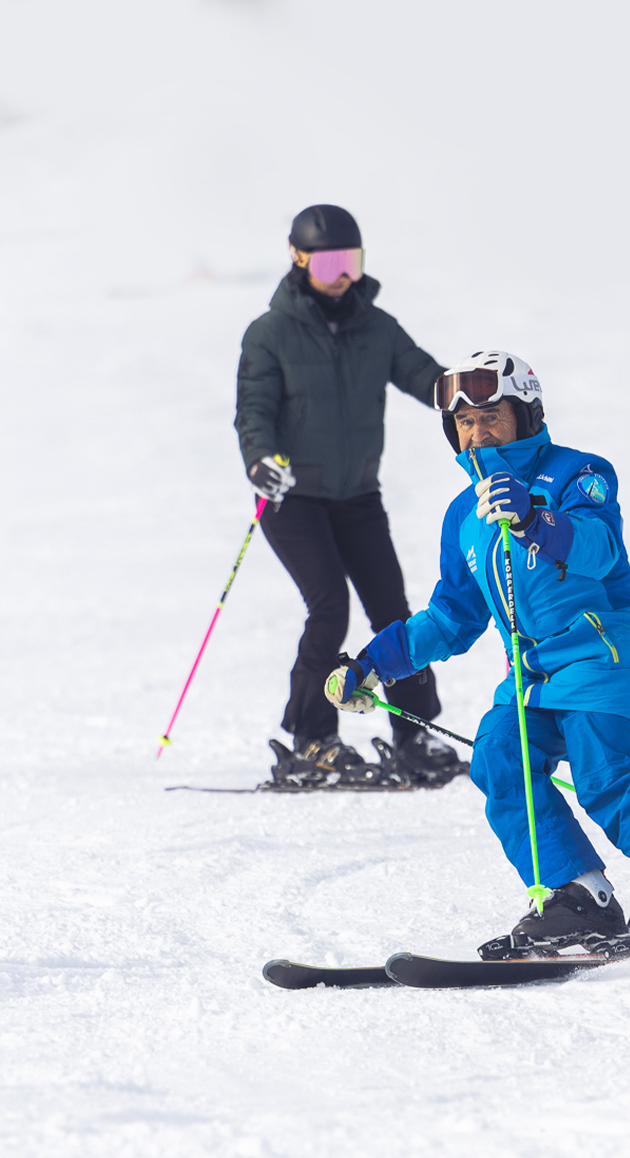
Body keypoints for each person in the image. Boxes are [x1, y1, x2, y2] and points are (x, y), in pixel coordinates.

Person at [325, 352, 630, 953]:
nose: (478, 434)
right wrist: (372, 663)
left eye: (491, 417)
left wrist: (533, 519)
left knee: (604, 774)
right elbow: (451, 616)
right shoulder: (464, 514)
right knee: (498, 755)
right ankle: (577, 895)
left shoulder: (579, 473)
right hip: (532, 675)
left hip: (603, 655)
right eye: (464, 423)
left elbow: (599, 549)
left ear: (527, 415)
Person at [234, 204, 463, 787]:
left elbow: (424, 375)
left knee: (393, 610)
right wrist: (259, 460)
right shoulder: (269, 334)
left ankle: (414, 733)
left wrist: (468, 394)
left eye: (350, 262)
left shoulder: (376, 327)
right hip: (293, 499)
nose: (340, 275)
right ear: (298, 258)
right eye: (327, 263)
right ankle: (314, 738)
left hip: (358, 496)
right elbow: (253, 411)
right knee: (329, 607)